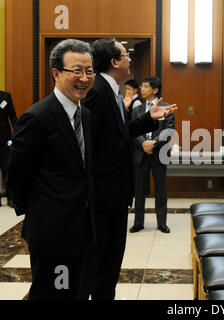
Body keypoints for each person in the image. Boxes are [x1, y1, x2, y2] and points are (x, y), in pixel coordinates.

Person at [81, 38, 176, 300]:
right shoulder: (97, 91)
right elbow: (90, 145)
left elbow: (118, 133)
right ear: (114, 62)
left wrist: (148, 118)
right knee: (103, 264)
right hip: (104, 194)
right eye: (126, 54)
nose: (130, 59)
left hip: (113, 193)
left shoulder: (111, 89)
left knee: (109, 264)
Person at [6, 39, 96, 299]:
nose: (84, 78)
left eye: (89, 71)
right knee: (54, 293)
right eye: (76, 70)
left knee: (77, 291)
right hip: (53, 234)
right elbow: (17, 175)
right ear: (56, 73)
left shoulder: (85, 115)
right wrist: (41, 214)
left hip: (84, 229)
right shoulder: (38, 117)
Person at [129, 77, 175, 234]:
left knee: (161, 190)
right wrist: (143, 144)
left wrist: (153, 143)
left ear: (155, 90)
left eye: (146, 87)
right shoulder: (137, 109)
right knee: (139, 190)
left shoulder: (166, 108)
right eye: (141, 87)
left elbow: (168, 130)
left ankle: (162, 223)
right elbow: (133, 130)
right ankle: (138, 223)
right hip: (140, 153)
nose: (142, 89)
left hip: (159, 152)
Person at [0, 90, 17, 207]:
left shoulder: (5, 96)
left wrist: (16, 135)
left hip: (5, 141)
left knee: (8, 170)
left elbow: (13, 116)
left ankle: (12, 198)